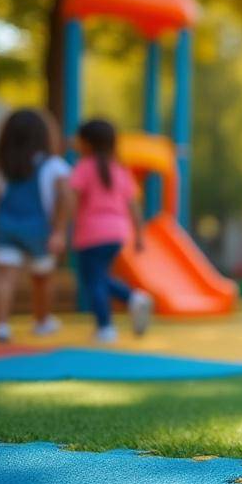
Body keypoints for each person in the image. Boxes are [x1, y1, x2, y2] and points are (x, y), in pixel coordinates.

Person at [0, 108, 72, 343]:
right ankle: (42, 320)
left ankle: (2, 326)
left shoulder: (3, 166)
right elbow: (66, 197)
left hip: (5, 228)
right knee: (43, 277)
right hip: (38, 230)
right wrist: (59, 230)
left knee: (4, 277)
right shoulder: (53, 165)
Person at [69, 119, 152, 343]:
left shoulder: (84, 167)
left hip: (91, 233)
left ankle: (105, 326)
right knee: (101, 277)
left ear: (87, 143)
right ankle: (132, 297)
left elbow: (73, 199)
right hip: (117, 232)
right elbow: (133, 205)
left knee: (93, 281)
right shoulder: (120, 170)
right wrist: (139, 235)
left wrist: (64, 225)